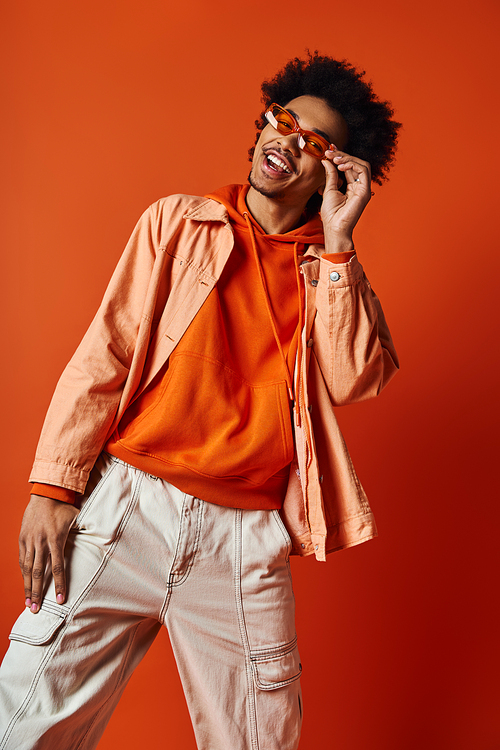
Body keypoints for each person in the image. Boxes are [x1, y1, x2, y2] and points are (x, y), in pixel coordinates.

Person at [0, 52, 401, 749]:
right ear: (260, 126)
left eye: (316, 145)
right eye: (283, 122)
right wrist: (53, 489)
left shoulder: (330, 274)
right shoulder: (178, 224)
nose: (288, 143)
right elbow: (108, 350)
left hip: (243, 542)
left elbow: (353, 379)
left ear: (333, 175)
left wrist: (339, 244)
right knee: (22, 724)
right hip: (126, 509)